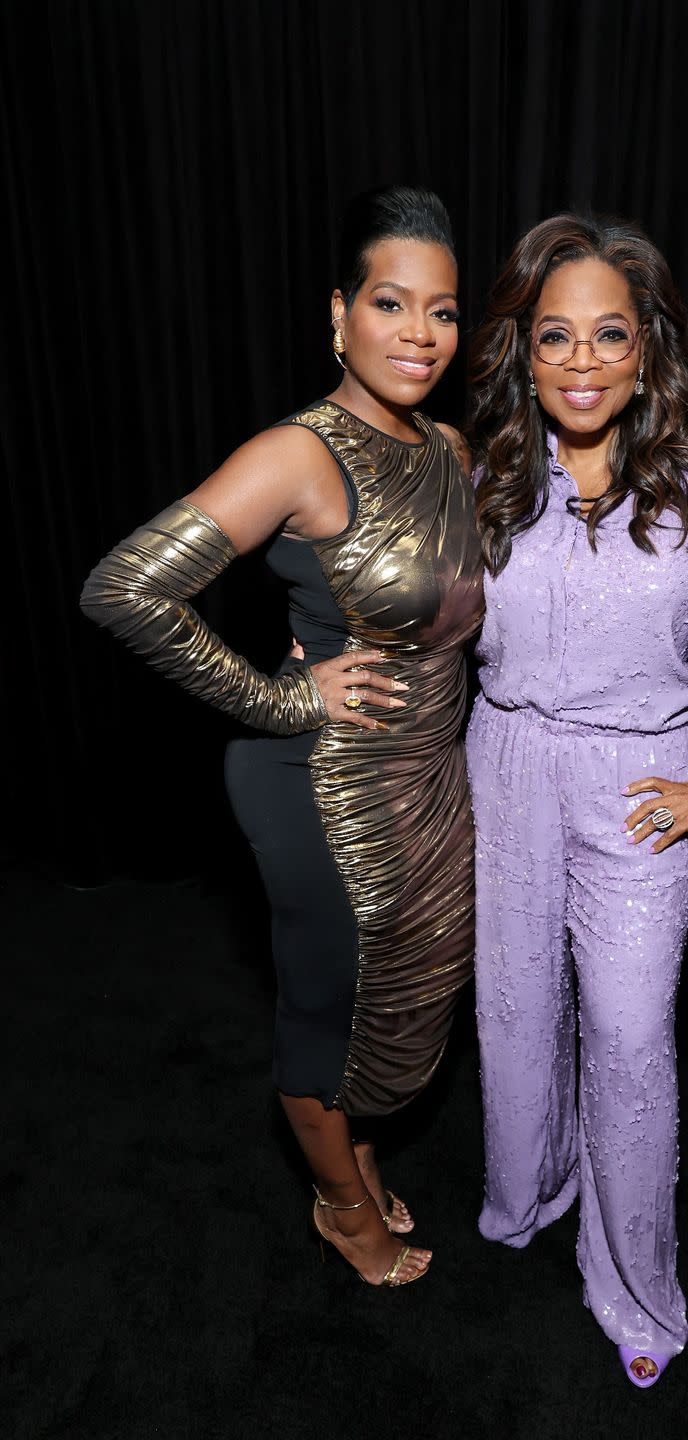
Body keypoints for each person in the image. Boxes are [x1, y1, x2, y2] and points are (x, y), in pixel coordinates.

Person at [81, 186, 483, 1288]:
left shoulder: (447, 446)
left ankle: (352, 1152)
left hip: (427, 779)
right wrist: (281, 700)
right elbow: (124, 590)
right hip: (326, 789)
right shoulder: (300, 455)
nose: (420, 333)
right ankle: (345, 1212)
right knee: (325, 1011)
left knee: (395, 994)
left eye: (442, 311)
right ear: (339, 314)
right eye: (391, 304)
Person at [465, 214, 688, 1382]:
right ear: (524, 349)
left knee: (626, 1043)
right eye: (555, 335)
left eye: (607, 335)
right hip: (505, 764)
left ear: (647, 345)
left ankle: (633, 1289)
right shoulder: (486, 468)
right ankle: (529, 1193)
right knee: (517, 1014)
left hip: (638, 788)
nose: (580, 362)